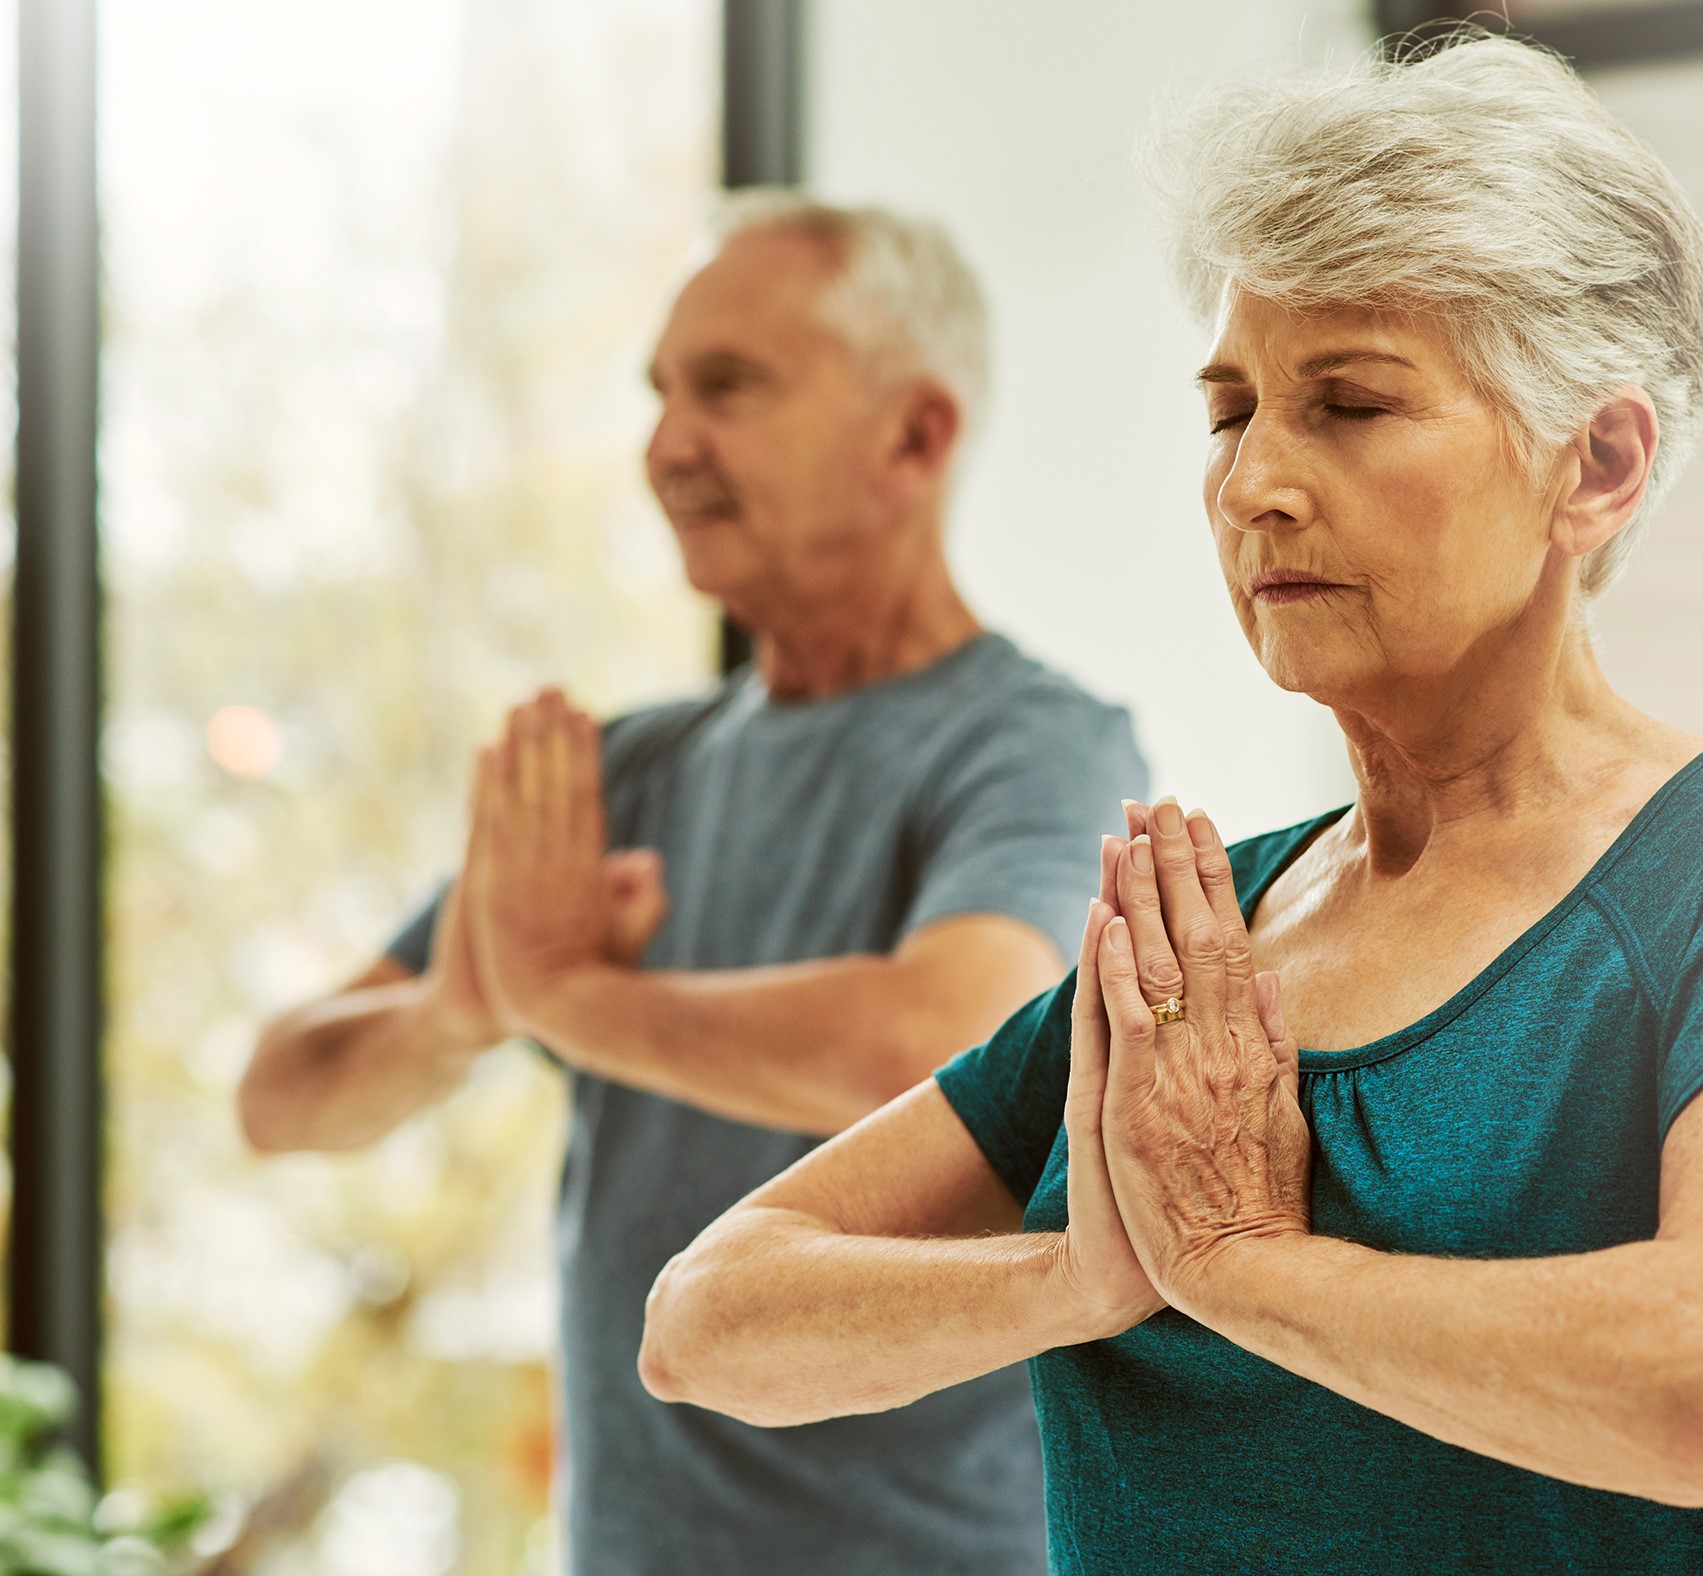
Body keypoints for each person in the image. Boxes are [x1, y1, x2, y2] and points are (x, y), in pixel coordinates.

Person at [637, 35, 1703, 1576]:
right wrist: (1080, 1282)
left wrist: (1241, 1268)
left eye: (1347, 405)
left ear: (1595, 464)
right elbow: (708, 1318)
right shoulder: (1197, 946)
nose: (1253, 482)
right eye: (1229, 412)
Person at [239, 192, 1147, 1575]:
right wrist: (461, 1011)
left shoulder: (1033, 742)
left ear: (914, 436)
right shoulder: (624, 771)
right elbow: (281, 1100)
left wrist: (572, 997)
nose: (666, 446)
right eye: (658, 395)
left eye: (726, 388)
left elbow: (949, 1040)